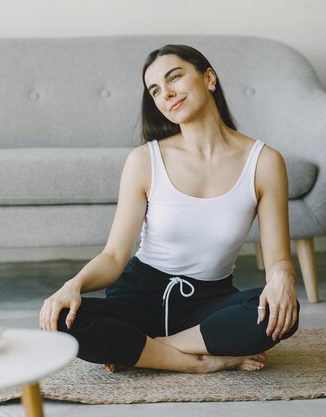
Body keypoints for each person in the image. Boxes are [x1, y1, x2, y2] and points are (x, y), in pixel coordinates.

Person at [39, 44, 300, 374]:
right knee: (62, 318)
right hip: (139, 296)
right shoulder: (144, 160)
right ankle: (201, 363)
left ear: (209, 78)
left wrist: (282, 280)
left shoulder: (264, 162)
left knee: (280, 313)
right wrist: (72, 286)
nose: (167, 94)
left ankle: (144, 349)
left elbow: (279, 259)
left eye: (174, 77)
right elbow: (115, 257)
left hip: (208, 303)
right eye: (156, 90)